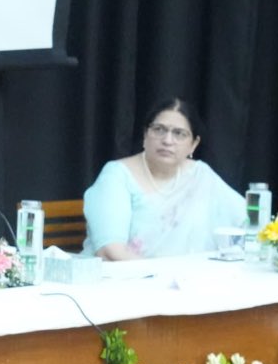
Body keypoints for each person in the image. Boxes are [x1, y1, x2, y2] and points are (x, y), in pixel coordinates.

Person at [83, 97, 244, 260]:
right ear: (145, 134)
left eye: (179, 134)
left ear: (194, 144)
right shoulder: (117, 176)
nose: (167, 140)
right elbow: (110, 252)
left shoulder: (200, 175)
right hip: (125, 280)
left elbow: (248, 222)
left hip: (188, 281)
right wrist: (161, 279)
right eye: (159, 129)